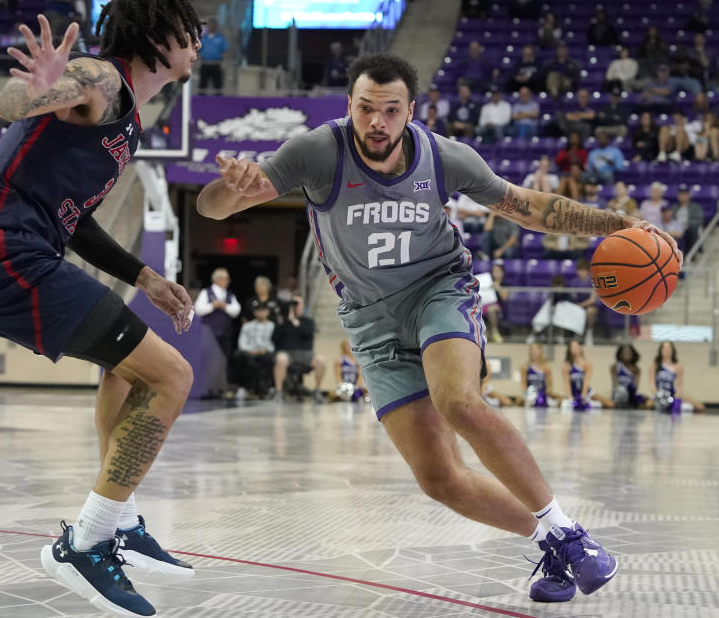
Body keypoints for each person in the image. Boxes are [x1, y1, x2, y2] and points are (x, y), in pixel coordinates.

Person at [197, 53, 681, 604]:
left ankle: (565, 529)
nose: (375, 122)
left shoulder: (444, 157)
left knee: (458, 401)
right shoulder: (315, 152)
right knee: (439, 478)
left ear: (410, 112)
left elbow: (526, 207)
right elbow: (213, 209)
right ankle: (549, 538)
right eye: (364, 108)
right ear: (349, 106)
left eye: (389, 110)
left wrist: (610, 222)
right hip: (369, 320)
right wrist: (231, 189)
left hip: (438, 291)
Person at [0, 0, 203, 615]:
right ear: (159, 35)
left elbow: (73, 218)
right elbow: (13, 102)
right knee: (173, 376)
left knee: (128, 372)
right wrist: (37, 88)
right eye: (188, 31)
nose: (197, 43)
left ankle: (123, 523)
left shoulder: (127, 118)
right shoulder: (102, 77)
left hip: (14, 251)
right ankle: (85, 542)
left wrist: (144, 277)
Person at [272, 293, 325, 401]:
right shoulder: (283, 322)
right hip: (288, 354)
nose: (295, 306)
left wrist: (295, 322)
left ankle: (317, 390)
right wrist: (283, 321)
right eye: (293, 304)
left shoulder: (308, 321)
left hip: (306, 354)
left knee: (321, 360)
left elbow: (308, 334)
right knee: (280, 358)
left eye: (298, 303)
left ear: (303, 305)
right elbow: (274, 338)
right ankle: (278, 391)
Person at [193, 267, 241, 365]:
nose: (228, 281)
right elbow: (198, 309)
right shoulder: (206, 292)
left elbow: (236, 311)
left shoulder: (230, 295)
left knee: (224, 359)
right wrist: (212, 306)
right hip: (208, 332)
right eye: (226, 278)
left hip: (225, 333)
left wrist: (225, 307)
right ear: (217, 279)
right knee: (207, 358)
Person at [232, 299, 276, 396]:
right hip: (250, 353)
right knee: (238, 356)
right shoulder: (247, 326)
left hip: (266, 352)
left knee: (273, 357)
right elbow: (242, 343)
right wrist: (250, 351)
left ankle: (270, 388)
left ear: (268, 311)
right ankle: (243, 387)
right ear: (254, 312)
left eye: (263, 310)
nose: (260, 312)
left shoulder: (273, 326)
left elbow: (275, 343)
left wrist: (266, 350)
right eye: (258, 310)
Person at [651, 341, 703, 413]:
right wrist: (658, 395)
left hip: (672, 395)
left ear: (673, 350)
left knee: (699, 406)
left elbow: (680, 385)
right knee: (649, 405)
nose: (666, 349)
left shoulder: (678, 367)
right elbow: (652, 384)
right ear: (660, 350)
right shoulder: (654, 366)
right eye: (664, 347)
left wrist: (677, 396)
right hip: (659, 395)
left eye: (668, 347)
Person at [562, 340, 612, 410]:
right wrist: (570, 397)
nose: (575, 349)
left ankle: (595, 404)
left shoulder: (587, 364)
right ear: (569, 350)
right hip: (574, 393)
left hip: (586, 392)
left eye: (577, 346)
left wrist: (583, 396)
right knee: (563, 403)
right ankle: (591, 404)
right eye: (572, 347)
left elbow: (586, 382)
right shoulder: (566, 365)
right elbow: (567, 384)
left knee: (609, 404)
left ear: (580, 348)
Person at [566, 259, 599, 333]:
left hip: (591, 306)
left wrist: (581, 305)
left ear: (588, 271)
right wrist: (575, 305)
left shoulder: (593, 281)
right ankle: (570, 333)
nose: (581, 273)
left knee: (590, 311)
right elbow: (572, 297)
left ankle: (589, 331)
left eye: (583, 270)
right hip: (577, 305)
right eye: (579, 270)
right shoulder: (574, 282)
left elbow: (592, 299)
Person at [330, 339, 368, 403]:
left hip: (355, 387)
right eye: (347, 344)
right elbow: (337, 376)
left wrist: (356, 387)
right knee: (333, 395)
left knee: (364, 393)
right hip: (344, 386)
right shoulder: (340, 360)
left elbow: (360, 376)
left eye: (350, 344)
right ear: (343, 346)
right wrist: (343, 386)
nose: (349, 346)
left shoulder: (357, 360)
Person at [198, 18, 228, 93]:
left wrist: (224, 62)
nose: (212, 27)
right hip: (205, 64)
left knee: (218, 86)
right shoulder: (203, 38)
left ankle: (219, 101)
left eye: (214, 25)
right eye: (210, 25)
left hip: (216, 65)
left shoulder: (220, 38)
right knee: (202, 85)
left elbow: (225, 51)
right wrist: (197, 61)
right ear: (208, 27)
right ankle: (201, 101)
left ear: (216, 26)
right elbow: (198, 51)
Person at [611, 343, 646, 408]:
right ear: (620, 354)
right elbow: (615, 385)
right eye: (624, 353)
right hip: (618, 394)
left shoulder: (636, 369)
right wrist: (622, 392)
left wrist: (630, 391)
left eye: (629, 353)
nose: (626, 355)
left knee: (643, 398)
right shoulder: (615, 367)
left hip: (630, 394)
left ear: (633, 354)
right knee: (621, 391)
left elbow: (635, 386)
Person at [522, 342, 555, 407]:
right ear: (530, 352)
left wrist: (545, 394)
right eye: (533, 349)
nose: (535, 351)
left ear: (541, 351)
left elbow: (549, 385)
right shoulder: (525, 367)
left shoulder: (546, 367)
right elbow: (523, 384)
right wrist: (528, 395)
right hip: (530, 396)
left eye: (537, 349)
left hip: (543, 395)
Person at [675, 186, 704, 253]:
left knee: (692, 231)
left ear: (688, 195)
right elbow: (670, 219)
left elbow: (699, 220)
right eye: (680, 194)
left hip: (689, 228)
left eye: (684, 194)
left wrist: (688, 225)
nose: (682, 196)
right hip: (675, 229)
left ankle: (691, 254)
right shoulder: (674, 207)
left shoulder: (696, 207)